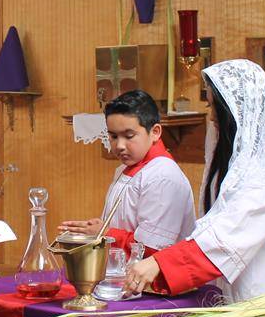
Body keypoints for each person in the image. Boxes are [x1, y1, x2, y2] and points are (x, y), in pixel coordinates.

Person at [124, 59, 265, 302]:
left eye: (212, 106)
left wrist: (160, 263)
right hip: (234, 294)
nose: (211, 117)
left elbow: (224, 239)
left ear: (235, 110)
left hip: (264, 299)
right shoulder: (239, 166)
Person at [60, 89, 196, 257]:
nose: (119, 146)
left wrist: (105, 233)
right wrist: (98, 227)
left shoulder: (163, 176)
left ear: (155, 132)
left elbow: (152, 249)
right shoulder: (127, 169)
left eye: (129, 135)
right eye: (113, 136)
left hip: (154, 280)